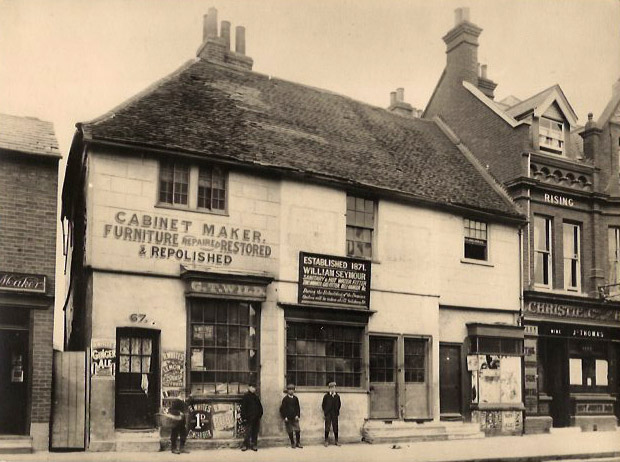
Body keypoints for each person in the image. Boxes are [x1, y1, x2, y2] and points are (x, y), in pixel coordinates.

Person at [240, 382, 263, 451]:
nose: (253, 389)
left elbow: (260, 407)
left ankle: (254, 445)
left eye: (254, 387)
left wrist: (259, 414)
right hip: (249, 418)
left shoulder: (256, 397)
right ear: (249, 387)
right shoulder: (246, 396)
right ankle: (245, 445)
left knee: (255, 432)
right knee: (248, 432)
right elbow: (243, 408)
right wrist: (244, 417)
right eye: (252, 387)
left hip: (256, 418)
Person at [280, 383, 302, 449]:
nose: (291, 391)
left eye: (292, 389)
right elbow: (282, 409)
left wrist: (297, 415)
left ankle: (298, 442)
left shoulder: (295, 399)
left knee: (298, 430)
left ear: (294, 390)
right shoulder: (285, 399)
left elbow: (298, 408)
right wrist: (285, 417)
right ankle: (292, 442)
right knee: (290, 431)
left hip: (295, 417)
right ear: (287, 391)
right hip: (288, 418)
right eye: (290, 390)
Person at [322, 381, 341, 446]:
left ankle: (336, 441)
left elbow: (339, 405)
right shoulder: (326, 396)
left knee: (335, 426)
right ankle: (326, 440)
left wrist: (337, 411)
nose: (333, 389)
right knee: (327, 426)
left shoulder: (337, 396)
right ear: (329, 388)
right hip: (328, 413)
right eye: (331, 388)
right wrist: (325, 412)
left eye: (334, 387)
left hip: (335, 413)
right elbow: (323, 405)